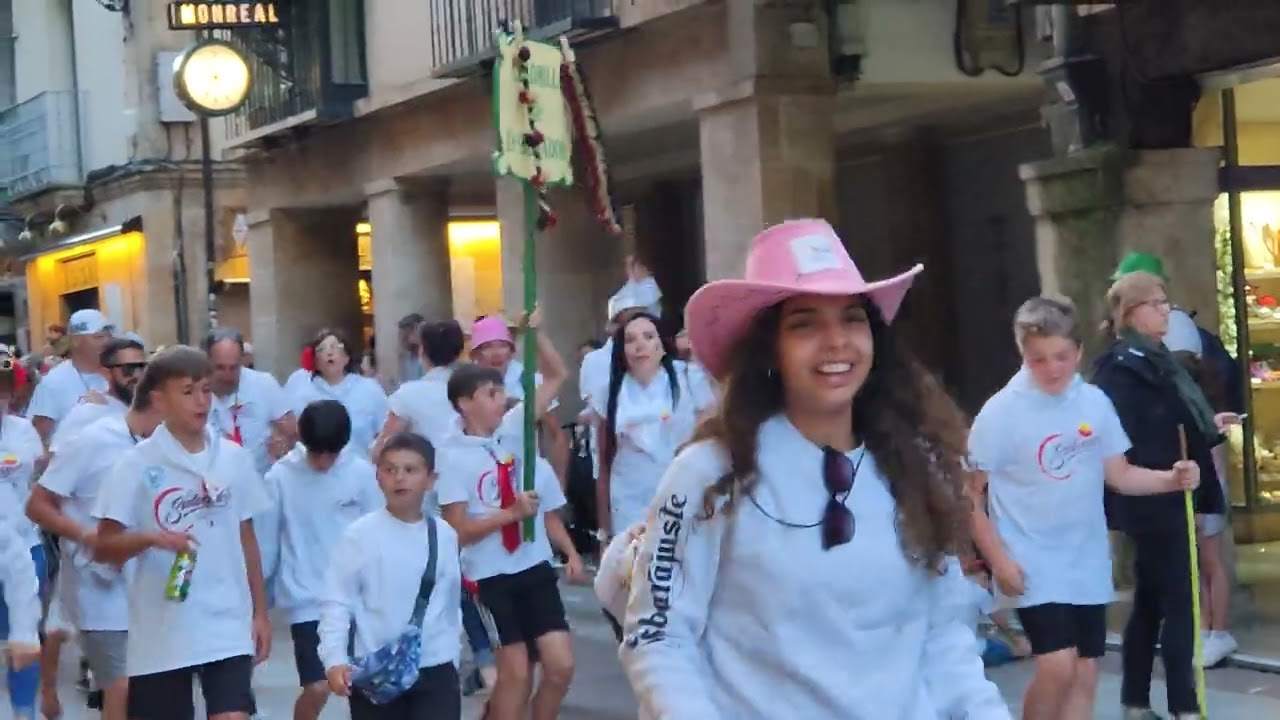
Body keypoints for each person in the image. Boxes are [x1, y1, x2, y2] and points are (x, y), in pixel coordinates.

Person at [619, 218, 1009, 718]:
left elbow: (944, 637)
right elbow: (658, 636)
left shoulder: (917, 465)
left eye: (851, 318)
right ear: (769, 349)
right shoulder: (708, 473)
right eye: (805, 323)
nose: (836, 342)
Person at [968, 296, 1201, 720]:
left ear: (1078, 351)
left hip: (1086, 557)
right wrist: (998, 559)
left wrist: (1171, 479)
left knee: (1085, 670)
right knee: (1057, 664)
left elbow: (1121, 474)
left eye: (1061, 356)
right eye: (1038, 360)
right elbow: (969, 496)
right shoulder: (1001, 413)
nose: (1053, 368)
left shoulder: (1094, 402)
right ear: (1023, 354)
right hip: (1031, 557)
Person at [91, 346, 272, 720]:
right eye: (187, 391)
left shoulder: (233, 458)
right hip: (163, 629)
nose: (200, 401)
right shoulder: (135, 465)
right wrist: (150, 538)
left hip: (226, 621)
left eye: (206, 390)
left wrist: (260, 613)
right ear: (159, 399)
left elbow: (247, 539)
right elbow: (104, 547)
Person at [1091, 271, 1233, 720]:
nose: (1164, 311)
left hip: (1173, 490)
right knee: (1180, 602)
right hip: (1154, 497)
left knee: (1152, 601)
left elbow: (1176, 418)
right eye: (1155, 303)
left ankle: (1135, 700)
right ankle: (1184, 706)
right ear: (1129, 313)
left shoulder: (1156, 359)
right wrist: (1171, 476)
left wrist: (1208, 426)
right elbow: (1131, 436)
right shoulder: (1120, 367)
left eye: (1165, 302)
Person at [436, 316, 584, 720]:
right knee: (515, 674)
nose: (502, 399)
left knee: (560, 665)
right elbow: (457, 532)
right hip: (490, 577)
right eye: (490, 393)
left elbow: (557, 374)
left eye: (501, 391)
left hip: (533, 564)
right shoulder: (452, 456)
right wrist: (510, 514)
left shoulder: (515, 427)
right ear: (465, 403)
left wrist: (534, 332)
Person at [26, 362, 167, 720]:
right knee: (120, 685)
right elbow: (38, 505)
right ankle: (47, 689)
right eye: (189, 393)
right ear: (158, 399)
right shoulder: (93, 435)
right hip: (98, 586)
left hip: (153, 587)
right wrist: (87, 536)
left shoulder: (171, 444)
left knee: (150, 686)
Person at [319, 432, 463, 719]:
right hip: (378, 673)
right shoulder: (359, 536)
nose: (400, 478)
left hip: (435, 669)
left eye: (410, 470)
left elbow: (450, 604)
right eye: (390, 470)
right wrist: (334, 659)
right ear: (378, 477)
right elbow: (337, 601)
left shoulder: (444, 535)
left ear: (430, 479)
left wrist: (452, 656)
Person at [269, 399, 382, 720]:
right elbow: (265, 543)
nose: (322, 461)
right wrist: (257, 604)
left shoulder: (361, 474)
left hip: (358, 597)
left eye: (330, 454)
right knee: (318, 686)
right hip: (307, 600)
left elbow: (377, 530)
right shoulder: (281, 477)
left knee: (364, 688)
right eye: (315, 453)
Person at [593, 311, 714, 543]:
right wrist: (603, 532)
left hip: (684, 496)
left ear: (661, 344)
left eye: (648, 337)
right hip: (629, 501)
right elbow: (604, 464)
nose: (640, 345)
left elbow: (708, 442)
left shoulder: (689, 378)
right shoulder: (609, 392)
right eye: (630, 340)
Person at [1163, 308, 1239, 666]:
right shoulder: (1202, 407)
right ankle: (1207, 629)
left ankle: (1216, 630)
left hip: (1204, 498)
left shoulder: (1203, 416)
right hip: (1198, 496)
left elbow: (1211, 464)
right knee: (1203, 564)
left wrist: (1200, 504)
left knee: (1208, 562)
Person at [0, 360, 49, 720]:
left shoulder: (22, 431)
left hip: (24, 547)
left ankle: (24, 713)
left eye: (3, 387)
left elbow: (38, 476)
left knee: (26, 636)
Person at [287, 329, 388, 454]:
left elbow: (385, 433)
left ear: (347, 357)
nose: (329, 353)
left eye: (335, 347)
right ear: (315, 361)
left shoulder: (370, 389)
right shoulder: (299, 385)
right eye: (321, 349)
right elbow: (288, 430)